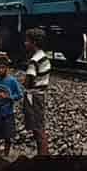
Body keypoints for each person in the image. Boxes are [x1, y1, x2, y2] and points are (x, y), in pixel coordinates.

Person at [22, 28, 51, 156]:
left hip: (33, 96)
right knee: (39, 126)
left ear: (34, 42)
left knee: (37, 129)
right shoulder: (44, 57)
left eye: (27, 41)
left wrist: (24, 82)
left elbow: (27, 82)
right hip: (40, 94)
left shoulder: (34, 61)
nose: (25, 43)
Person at [0, 55, 23, 157]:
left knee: (8, 136)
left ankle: (6, 155)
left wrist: (9, 97)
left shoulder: (12, 81)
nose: (0, 70)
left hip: (9, 113)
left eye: (2, 68)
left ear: (7, 68)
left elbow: (19, 95)